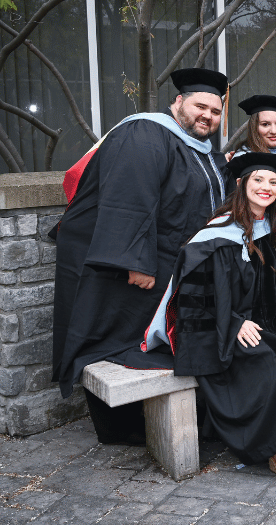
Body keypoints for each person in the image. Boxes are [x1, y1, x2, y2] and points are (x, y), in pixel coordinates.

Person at [53, 67, 229, 443]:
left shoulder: (203, 149)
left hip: (176, 264)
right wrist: (137, 262)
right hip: (143, 268)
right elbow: (129, 200)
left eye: (215, 112)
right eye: (201, 107)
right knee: (129, 340)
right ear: (179, 102)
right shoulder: (146, 132)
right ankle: (131, 428)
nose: (208, 117)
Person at [141, 152, 276, 483]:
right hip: (216, 330)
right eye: (258, 180)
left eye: (272, 182)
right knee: (265, 360)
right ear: (241, 184)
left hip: (259, 321)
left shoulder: (272, 228)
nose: (266, 187)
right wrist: (234, 323)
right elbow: (198, 300)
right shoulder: (217, 235)